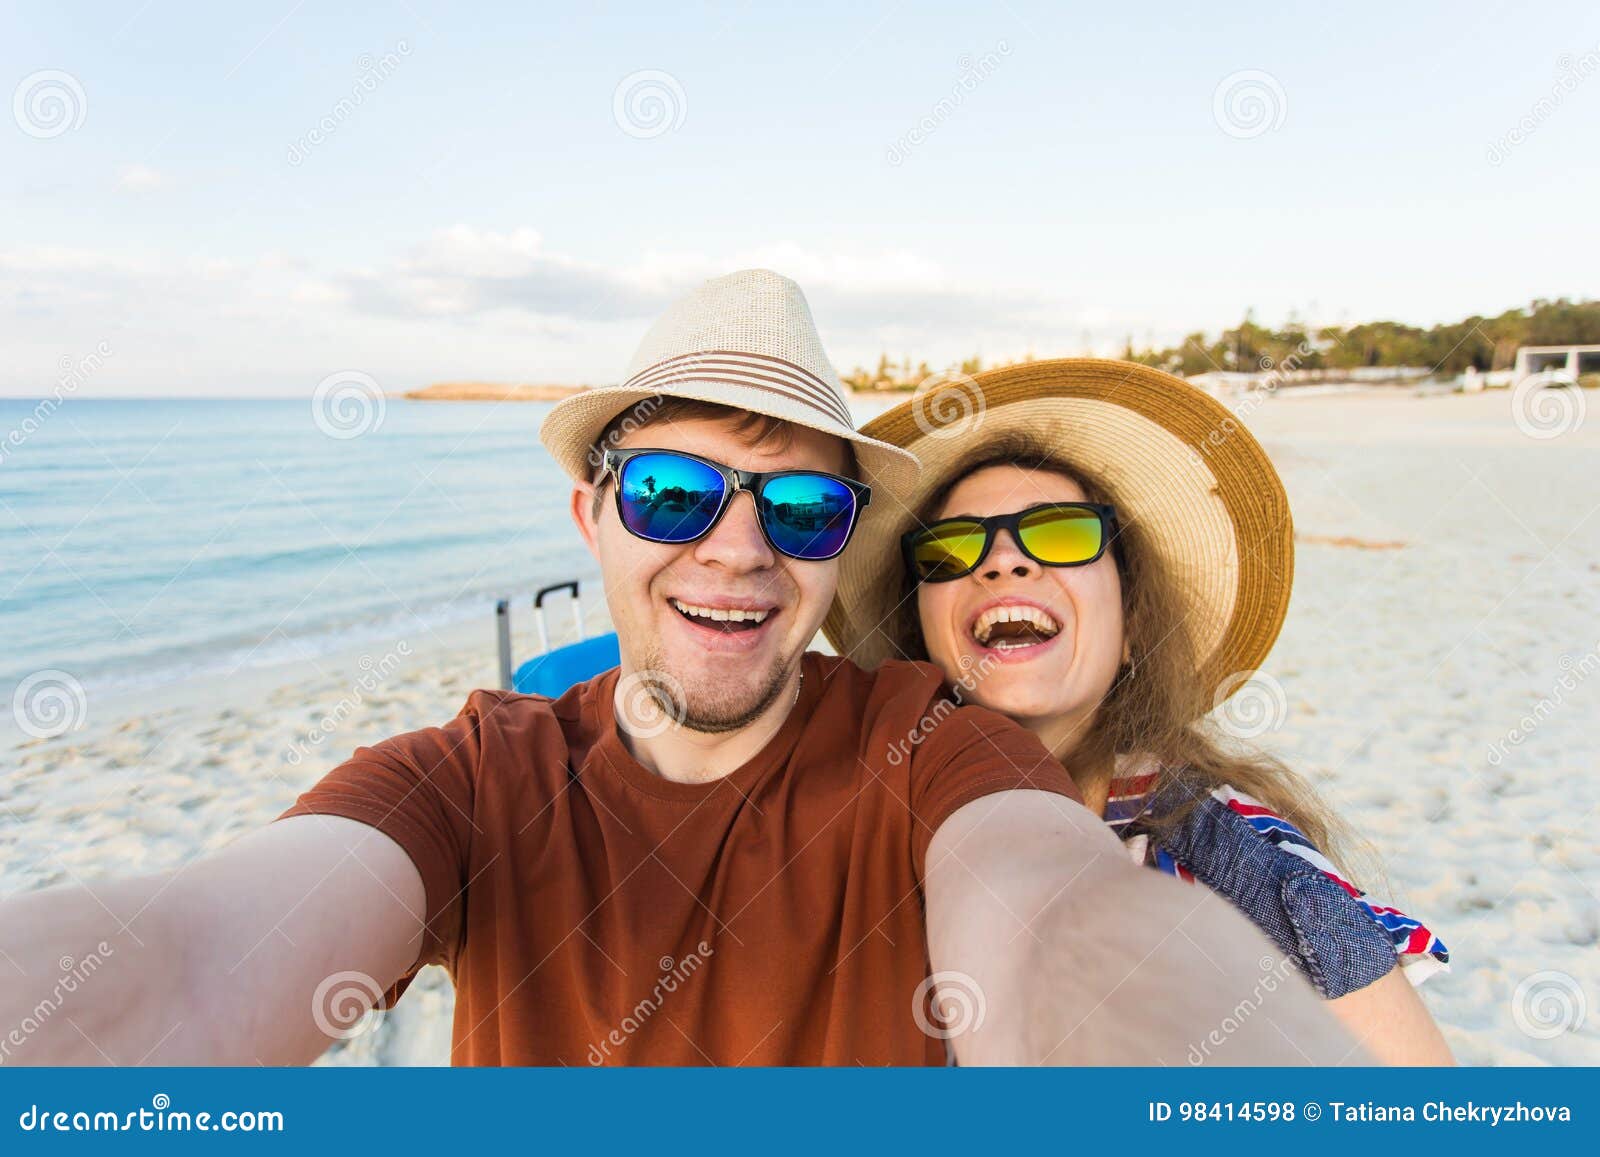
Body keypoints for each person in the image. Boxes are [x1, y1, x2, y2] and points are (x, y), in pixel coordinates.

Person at [0, 273, 1359, 1066]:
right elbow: (185, 960)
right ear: (588, 514)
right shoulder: (471, 777)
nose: (735, 547)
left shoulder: (932, 741)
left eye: (800, 508)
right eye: (670, 491)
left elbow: (1055, 917)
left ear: (837, 555)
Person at [823, 358, 1454, 1064]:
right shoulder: (858, 825)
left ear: (1130, 628)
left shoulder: (1246, 866)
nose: (1002, 562)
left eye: (1061, 533)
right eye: (950, 548)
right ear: (920, 636)